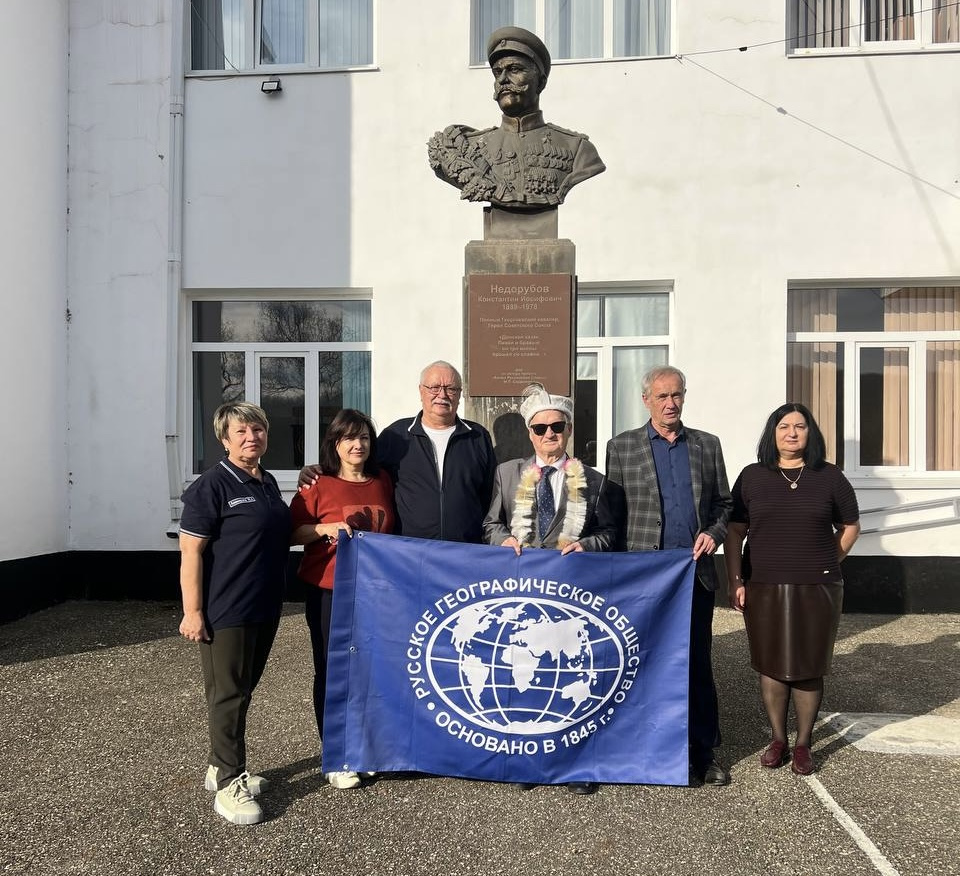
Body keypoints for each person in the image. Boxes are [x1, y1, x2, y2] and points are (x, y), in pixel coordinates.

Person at [483, 384, 618, 795]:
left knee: (573, 676)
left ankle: (577, 764)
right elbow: (490, 524)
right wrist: (504, 539)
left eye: (557, 427)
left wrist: (587, 544)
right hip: (523, 593)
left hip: (571, 596)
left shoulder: (593, 480)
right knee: (525, 672)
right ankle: (528, 761)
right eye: (540, 428)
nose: (549, 435)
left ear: (569, 429)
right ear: (530, 433)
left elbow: (609, 532)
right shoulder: (507, 473)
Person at [605, 365, 733, 787]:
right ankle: (642, 750)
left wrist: (714, 534)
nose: (670, 403)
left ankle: (703, 752)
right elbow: (613, 517)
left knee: (695, 664)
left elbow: (724, 504)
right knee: (640, 664)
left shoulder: (707, 445)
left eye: (676, 395)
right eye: (662, 396)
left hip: (693, 577)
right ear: (646, 400)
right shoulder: (621, 447)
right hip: (643, 581)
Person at [724, 403, 860, 776]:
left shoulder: (830, 477)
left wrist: (829, 560)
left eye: (800, 426)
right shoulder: (752, 476)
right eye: (784, 426)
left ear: (810, 433)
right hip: (763, 584)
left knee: (808, 667)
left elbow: (850, 526)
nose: (792, 433)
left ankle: (803, 744)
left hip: (818, 587)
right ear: (773, 433)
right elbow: (735, 531)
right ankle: (778, 739)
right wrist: (735, 580)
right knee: (771, 665)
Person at [178, 402, 291, 825]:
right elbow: (190, 552)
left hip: (264, 604)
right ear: (224, 439)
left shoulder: (266, 482)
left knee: (243, 690)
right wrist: (192, 611)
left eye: (257, 430)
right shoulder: (211, 486)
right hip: (226, 608)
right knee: (227, 694)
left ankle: (218, 765)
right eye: (241, 431)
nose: (251, 437)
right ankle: (229, 783)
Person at [290, 409, 395, 790]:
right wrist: (322, 528)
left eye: (364, 437)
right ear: (334, 443)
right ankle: (335, 755)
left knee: (367, 671)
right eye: (349, 438)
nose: (357, 445)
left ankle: (361, 749)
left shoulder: (383, 480)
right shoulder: (318, 484)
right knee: (332, 670)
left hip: (374, 593)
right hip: (329, 590)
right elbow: (292, 533)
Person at [302, 361, 496, 543]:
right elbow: (358, 465)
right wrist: (321, 470)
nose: (442, 394)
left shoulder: (478, 437)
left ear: (460, 394)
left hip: (464, 551)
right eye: (434, 387)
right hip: (409, 553)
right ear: (421, 391)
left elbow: (491, 496)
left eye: (451, 388)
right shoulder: (396, 435)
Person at [428, 26, 605, 209]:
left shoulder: (576, 149)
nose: (503, 79)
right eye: (498, 72)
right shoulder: (471, 147)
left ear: (541, 82)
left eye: (514, 69)